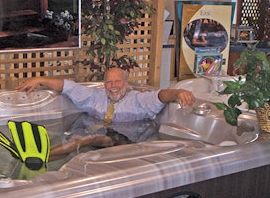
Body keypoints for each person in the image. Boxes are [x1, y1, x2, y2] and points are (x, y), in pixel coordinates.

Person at [16, 67, 195, 160]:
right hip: (100, 133)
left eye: (117, 81)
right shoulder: (95, 97)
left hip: (128, 141)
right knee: (74, 137)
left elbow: (161, 95)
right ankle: (41, 156)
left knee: (83, 140)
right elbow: (67, 86)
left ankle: (41, 155)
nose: (113, 85)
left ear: (126, 82)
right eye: (109, 82)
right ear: (104, 85)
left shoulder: (139, 100)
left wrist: (177, 92)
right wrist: (39, 80)